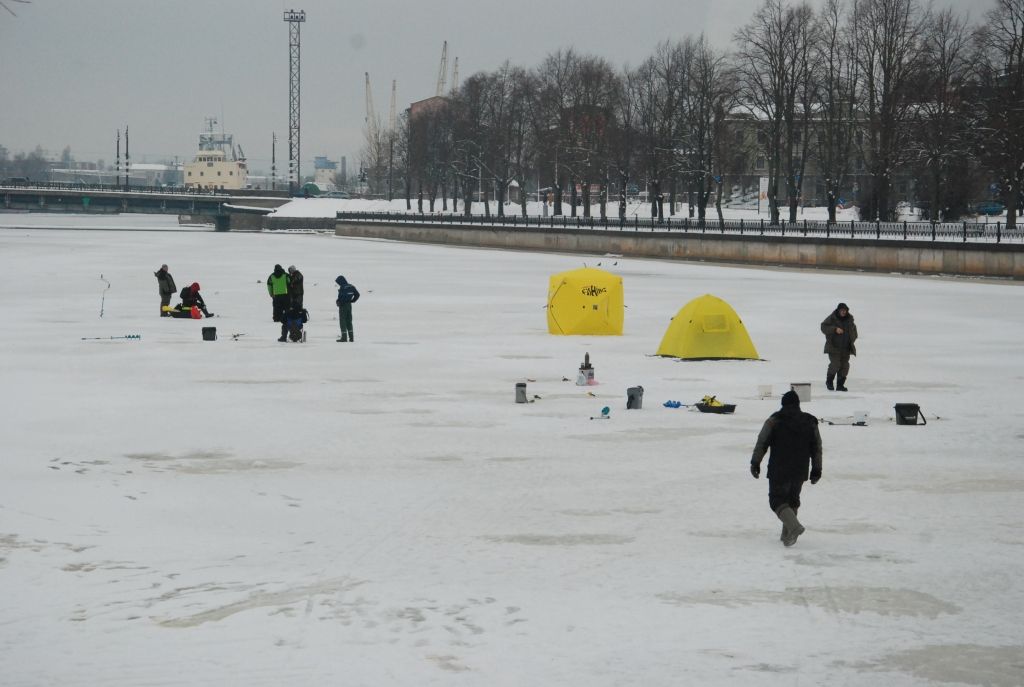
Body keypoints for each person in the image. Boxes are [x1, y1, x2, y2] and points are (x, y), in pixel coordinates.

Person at [750, 390, 822, 547]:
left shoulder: (774, 420)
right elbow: (817, 447)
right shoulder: (810, 421)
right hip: (800, 469)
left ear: (783, 404)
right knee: (792, 501)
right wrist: (817, 469)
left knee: (777, 501)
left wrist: (755, 462)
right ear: (798, 404)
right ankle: (787, 537)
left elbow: (762, 442)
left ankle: (794, 528)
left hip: (779, 468)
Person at [821, 302, 858, 391]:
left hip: (846, 348)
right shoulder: (832, 318)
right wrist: (834, 329)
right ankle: (829, 382)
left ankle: (840, 385)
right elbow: (823, 327)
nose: (843, 312)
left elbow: (854, 331)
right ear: (838, 310)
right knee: (835, 365)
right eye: (842, 310)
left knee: (845, 366)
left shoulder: (850, 319)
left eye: (845, 310)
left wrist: (852, 338)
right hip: (834, 347)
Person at [267, 264, 291, 337]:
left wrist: (271, 293)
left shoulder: (271, 276)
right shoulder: (285, 275)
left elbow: (269, 285)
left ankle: (277, 318)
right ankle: (287, 318)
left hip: (276, 295)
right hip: (285, 294)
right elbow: (289, 282)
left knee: (277, 308)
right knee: (287, 307)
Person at [335, 275, 360, 342]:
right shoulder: (351, 286)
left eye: (338, 282)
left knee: (342, 321)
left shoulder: (342, 288)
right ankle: (351, 338)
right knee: (349, 321)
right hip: (349, 305)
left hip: (343, 306)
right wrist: (353, 300)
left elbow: (341, 297)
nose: (338, 284)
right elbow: (357, 294)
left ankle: (344, 337)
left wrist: (338, 302)